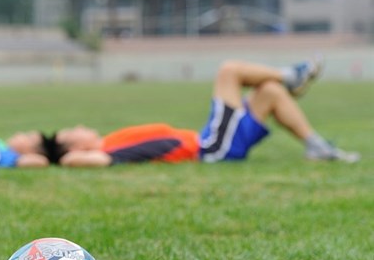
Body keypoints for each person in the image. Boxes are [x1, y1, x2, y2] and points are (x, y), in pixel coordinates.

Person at [52, 59, 361, 167]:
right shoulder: (107, 152)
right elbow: (74, 161)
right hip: (211, 148)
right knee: (229, 71)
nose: (79, 125)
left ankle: (316, 145)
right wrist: (60, 155)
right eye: (72, 131)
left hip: (212, 142)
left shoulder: (109, 141)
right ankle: (292, 75)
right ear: (77, 147)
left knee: (269, 92)